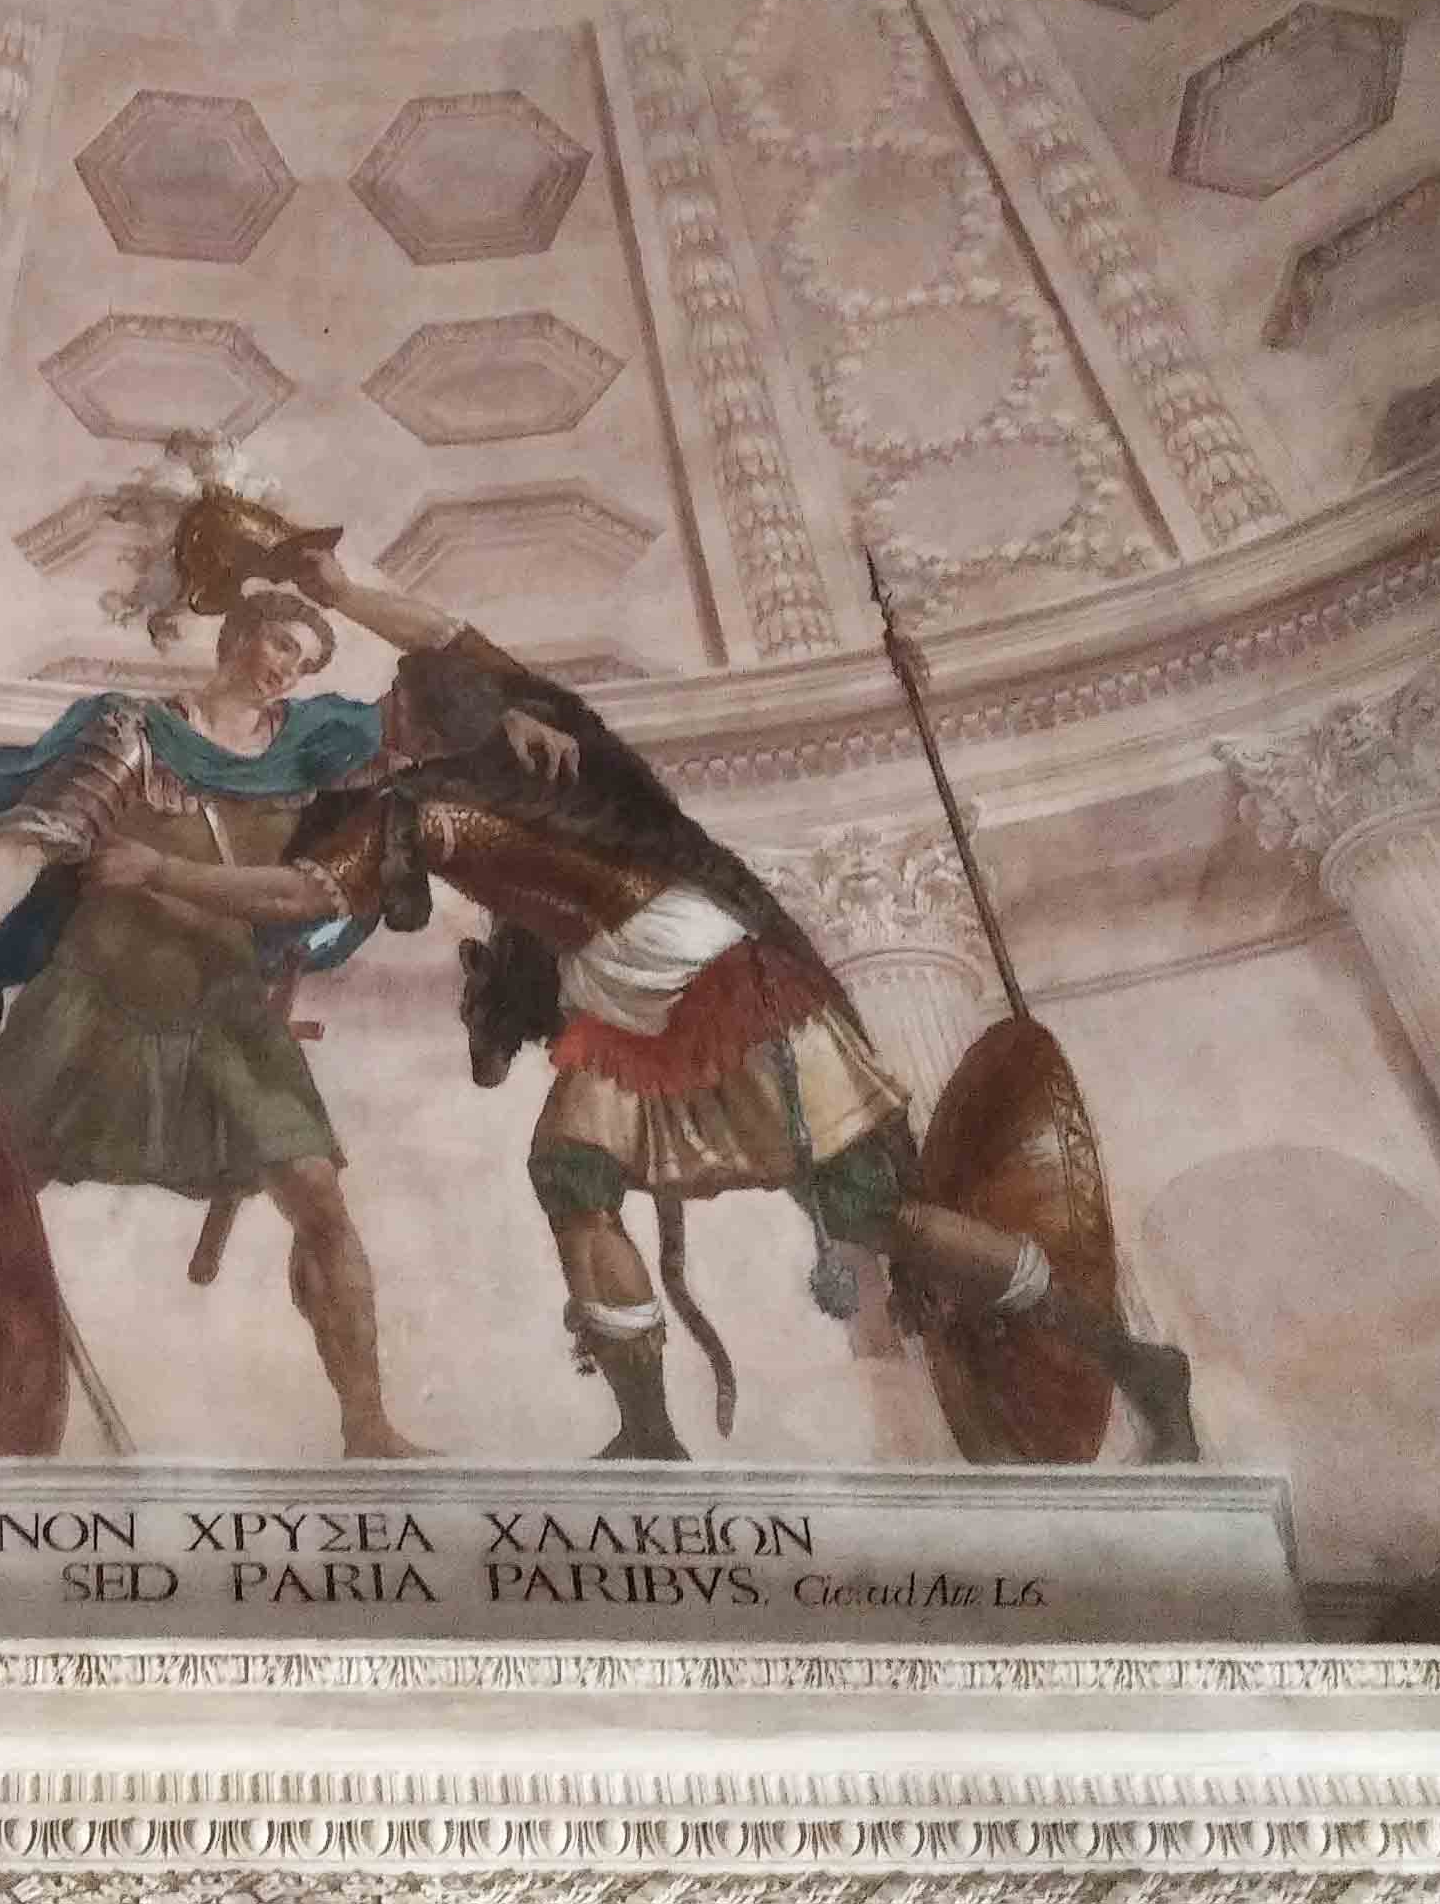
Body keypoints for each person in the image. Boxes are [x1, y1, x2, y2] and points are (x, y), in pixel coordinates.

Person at [86, 553, 1198, 1463]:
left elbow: (303, 893)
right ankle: (650, 1435)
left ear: (413, 732)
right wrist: (334, 586)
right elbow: (446, 629)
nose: (379, 723)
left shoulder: (422, 803)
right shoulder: (535, 718)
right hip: (628, 998)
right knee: (573, 1175)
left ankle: (1133, 1358)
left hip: (715, 982)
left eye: (391, 713)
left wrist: (158, 873)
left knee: (875, 1213)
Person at [0, 586, 564, 1460]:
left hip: (225, 1013)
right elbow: (23, 847)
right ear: (235, 638)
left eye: (303, 659)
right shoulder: (135, 737)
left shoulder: (320, 750)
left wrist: (507, 725)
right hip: (91, 1006)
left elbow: (420, 737)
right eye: (276, 643)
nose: (284, 668)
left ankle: (366, 1425)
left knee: (320, 1200)